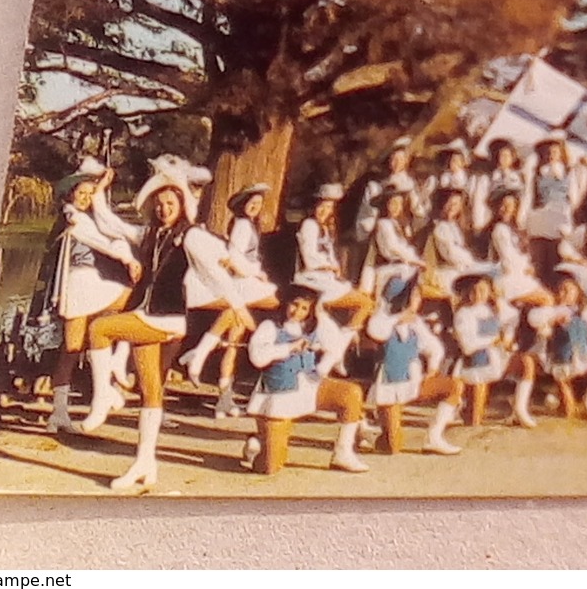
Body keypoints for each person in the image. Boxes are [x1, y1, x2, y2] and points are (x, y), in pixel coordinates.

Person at [77, 156, 254, 489]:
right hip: (151, 316)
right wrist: (100, 194)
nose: (163, 209)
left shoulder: (190, 236)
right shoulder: (150, 234)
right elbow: (110, 224)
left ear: (182, 204)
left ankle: (105, 397)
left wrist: (238, 305)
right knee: (150, 393)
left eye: (170, 203)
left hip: (169, 319)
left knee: (100, 328)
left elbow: (216, 273)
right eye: (159, 204)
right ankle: (145, 464)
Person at [37, 159, 141, 434]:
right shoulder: (72, 215)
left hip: (91, 282)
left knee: (90, 338)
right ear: (71, 195)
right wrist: (126, 260)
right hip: (80, 283)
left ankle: (66, 409)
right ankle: (63, 409)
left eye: (88, 194)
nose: (84, 198)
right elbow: (97, 240)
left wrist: (102, 189)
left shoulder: (88, 215)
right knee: (72, 348)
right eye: (80, 193)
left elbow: (113, 236)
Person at [239, 284, 371, 475]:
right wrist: (289, 348)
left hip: (309, 386)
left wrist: (323, 367)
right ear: (285, 303)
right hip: (280, 395)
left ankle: (343, 452)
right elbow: (257, 358)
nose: (297, 312)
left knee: (350, 393)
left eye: (304, 308)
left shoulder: (316, 326)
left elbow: (335, 346)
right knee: (270, 467)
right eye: (294, 305)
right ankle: (258, 445)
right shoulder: (270, 327)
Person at [179, 183, 281, 418]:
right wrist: (256, 272)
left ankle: (224, 398)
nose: (255, 207)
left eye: (258, 204)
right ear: (242, 206)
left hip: (241, 281)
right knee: (276, 302)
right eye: (251, 203)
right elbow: (234, 258)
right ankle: (202, 351)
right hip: (239, 281)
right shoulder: (243, 226)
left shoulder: (250, 225)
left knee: (234, 338)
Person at [364, 277, 464, 456]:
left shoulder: (416, 323)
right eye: (415, 296)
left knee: (454, 386)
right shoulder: (382, 319)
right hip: (389, 387)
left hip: (414, 382)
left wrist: (432, 368)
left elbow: (435, 348)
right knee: (392, 447)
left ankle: (434, 437)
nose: (419, 301)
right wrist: (398, 318)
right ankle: (365, 433)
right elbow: (376, 331)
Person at [449, 272, 536, 428]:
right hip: (477, 363)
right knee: (474, 421)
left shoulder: (494, 307)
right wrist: (493, 340)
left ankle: (520, 409)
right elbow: (468, 346)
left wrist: (507, 338)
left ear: (490, 291)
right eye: (473, 291)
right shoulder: (463, 314)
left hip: (499, 358)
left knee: (526, 363)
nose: (477, 295)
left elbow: (513, 319)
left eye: (482, 290)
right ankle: (464, 410)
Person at [528, 268, 587, 421]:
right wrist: (552, 318)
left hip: (583, 358)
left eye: (568, 290)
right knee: (569, 413)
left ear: (578, 291)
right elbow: (535, 320)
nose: (563, 293)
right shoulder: (551, 311)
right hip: (561, 362)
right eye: (560, 290)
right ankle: (561, 400)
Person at [293, 183, 375, 344]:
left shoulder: (326, 228)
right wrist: (328, 266)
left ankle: (342, 340)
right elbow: (309, 256)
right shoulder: (308, 225)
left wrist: (335, 268)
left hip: (326, 278)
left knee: (365, 301)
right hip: (310, 277)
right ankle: (338, 337)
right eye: (321, 207)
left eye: (329, 207)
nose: (324, 211)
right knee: (363, 302)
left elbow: (330, 255)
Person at [524, 131, 582, 285]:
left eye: (555, 151)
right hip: (542, 218)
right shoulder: (538, 173)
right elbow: (530, 195)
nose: (551, 155)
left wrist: (569, 213)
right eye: (548, 152)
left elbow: (574, 197)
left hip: (561, 216)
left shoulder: (568, 172)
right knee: (541, 257)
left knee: (558, 253)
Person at [483, 188, 554, 307]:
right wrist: (524, 267)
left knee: (547, 297)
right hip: (508, 277)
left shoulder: (514, 230)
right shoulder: (499, 229)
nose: (505, 209)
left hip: (520, 276)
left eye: (509, 205)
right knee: (547, 299)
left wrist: (529, 266)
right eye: (502, 206)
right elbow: (508, 258)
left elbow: (521, 254)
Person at [361, 186, 428, 301]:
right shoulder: (383, 224)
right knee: (405, 278)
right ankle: (389, 301)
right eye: (393, 203)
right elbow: (393, 246)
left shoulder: (400, 225)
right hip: (392, 266)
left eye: (400, 204)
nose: (397, 207)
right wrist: (416, 261)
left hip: (405, 265)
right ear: (387, 206)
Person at [356, 137, 422, 242]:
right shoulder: (379, 185)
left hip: (404, 229)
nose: (396, 163)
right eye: (394, 159)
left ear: (406, 161)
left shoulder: (410, 184)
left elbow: (418, 210)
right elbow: (369, 211)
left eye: (400, 160)